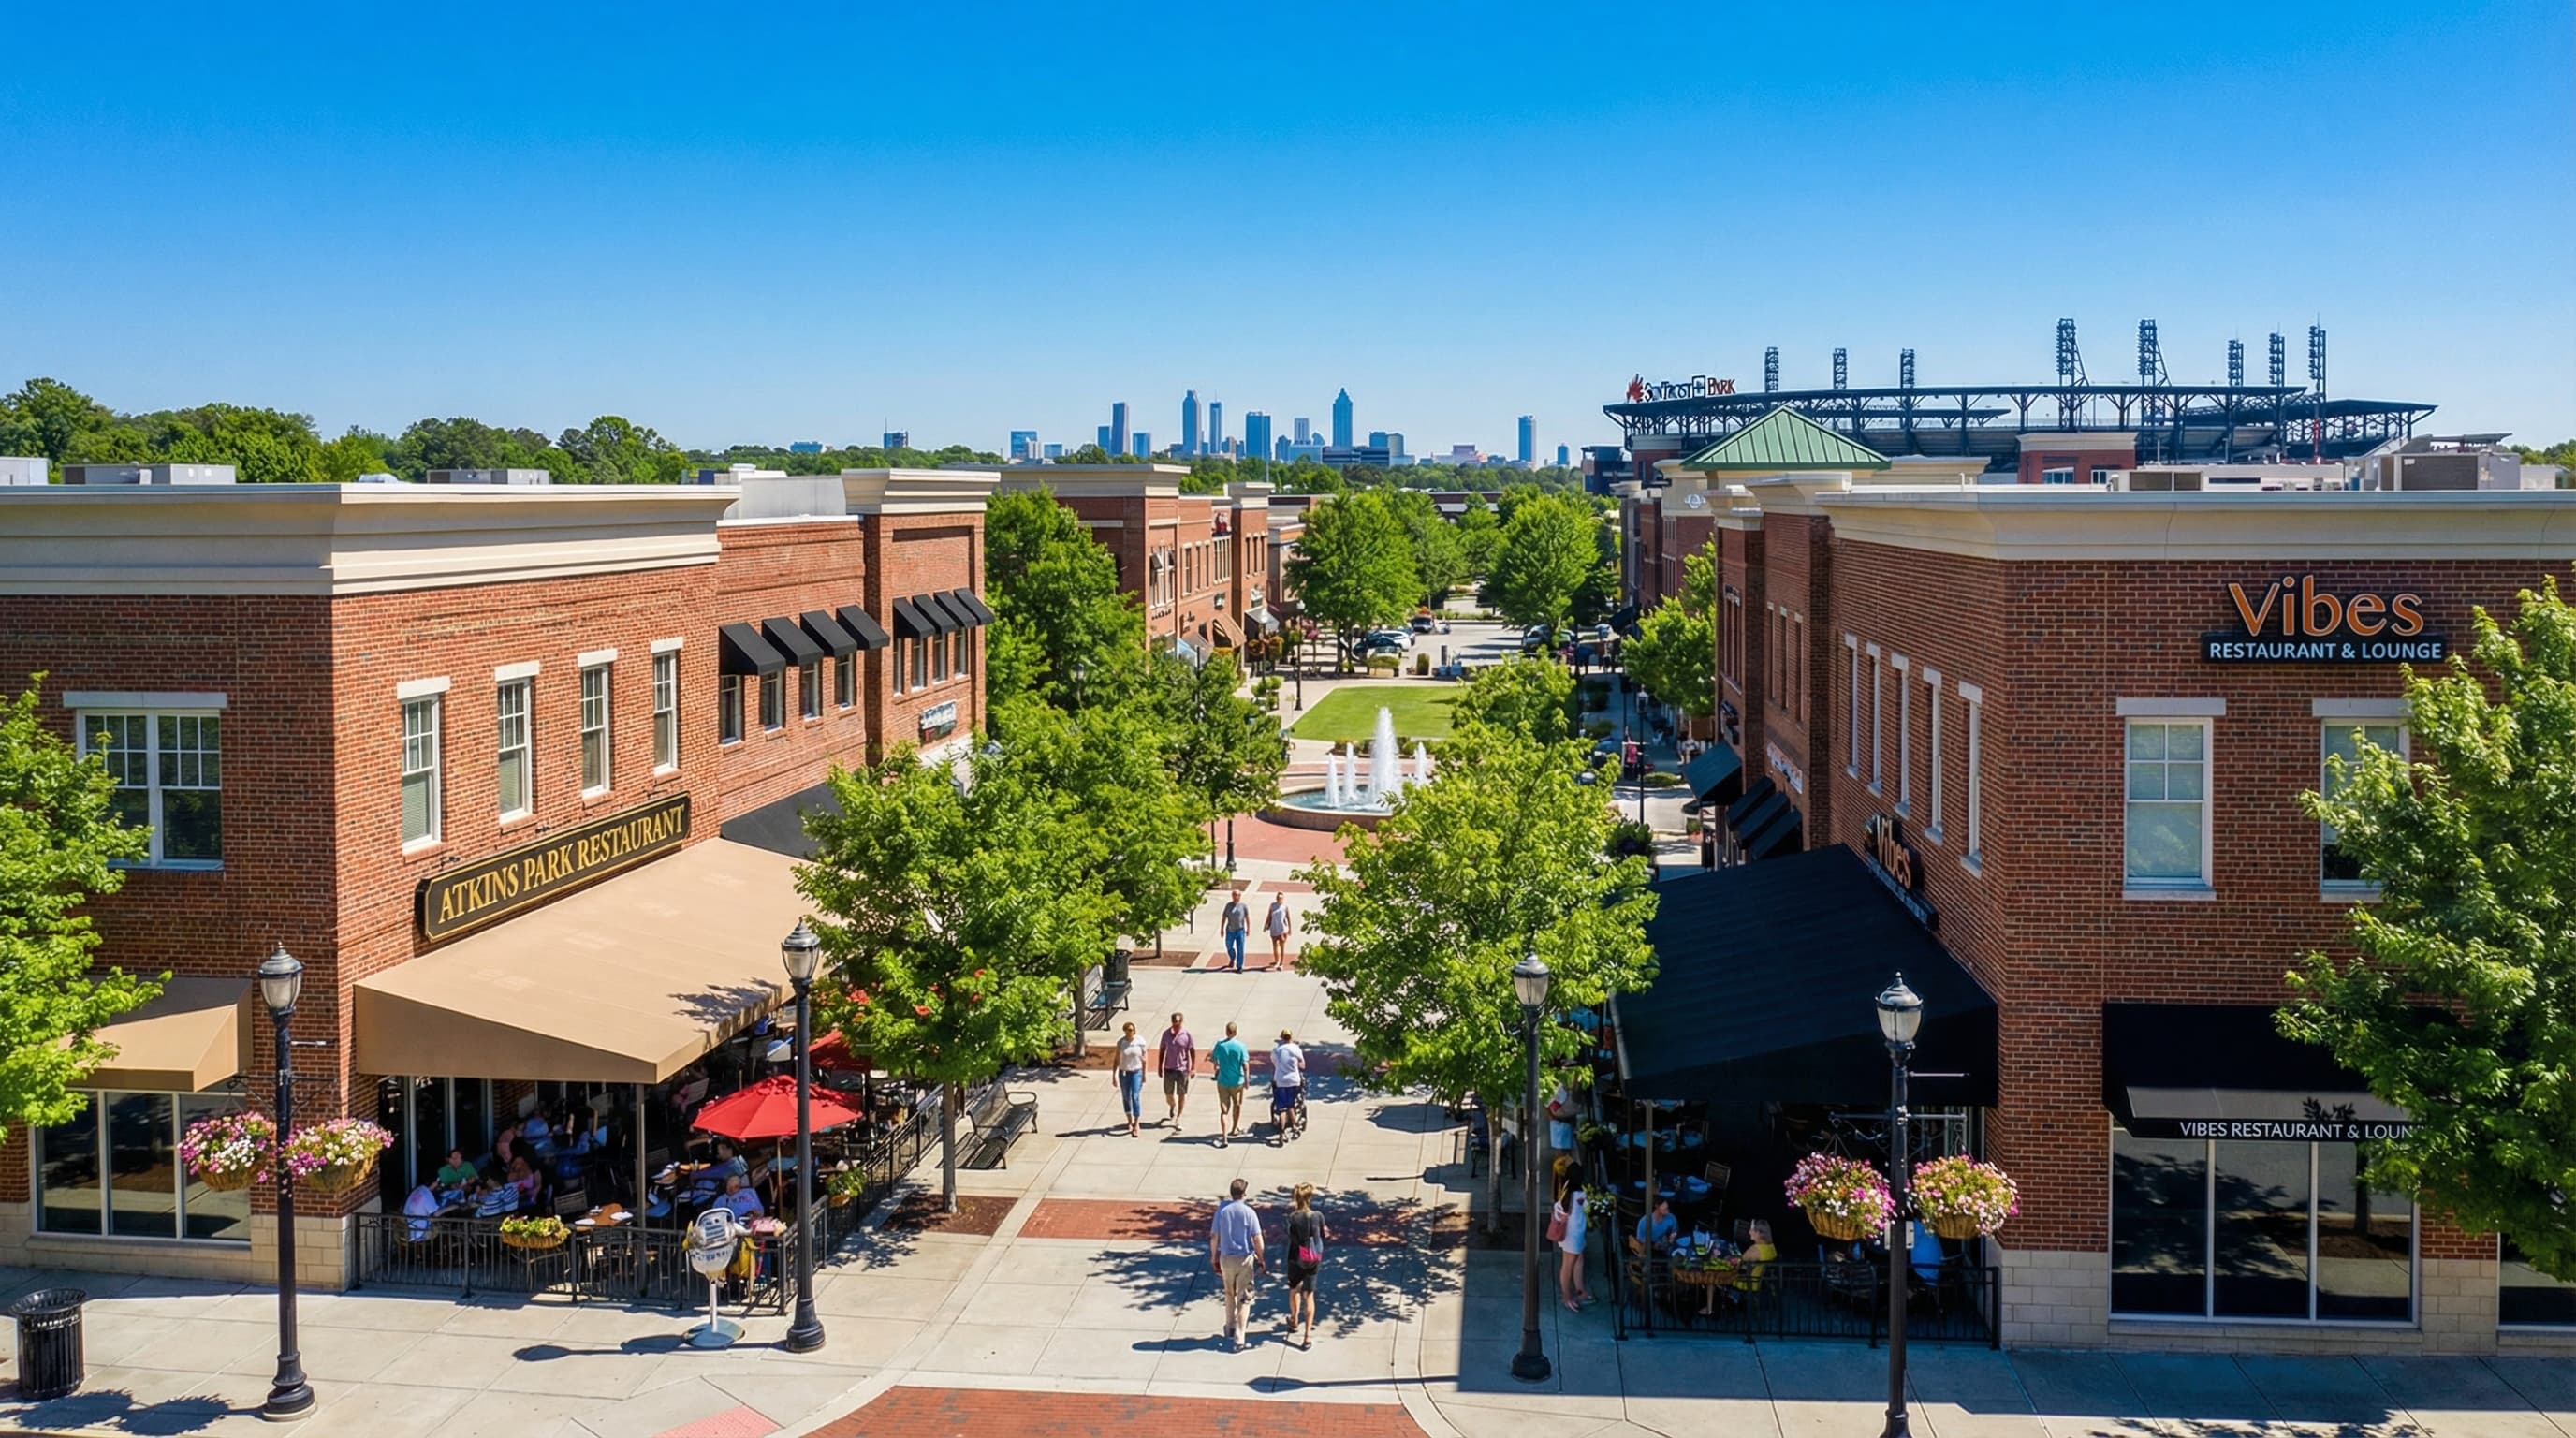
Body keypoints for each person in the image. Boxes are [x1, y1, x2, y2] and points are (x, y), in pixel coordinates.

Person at [1208, 1177, 1266, 1351]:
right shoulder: (1249, 1212)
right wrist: (1261, 1259)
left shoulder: (1222, 1211)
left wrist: (1214, 1257)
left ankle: (1230, 1326)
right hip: (1244, 1259)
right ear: (1244, 1193)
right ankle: (1240, 1336)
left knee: (1229, 1293)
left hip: (1226, 1258)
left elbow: (1214, 1236)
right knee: (1244, 1297)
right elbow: (1257, 1239)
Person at [1284, 1182, 1328, 1348]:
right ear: (1310, 1198)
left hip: (1296, 1258)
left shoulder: (1292, 1218)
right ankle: (1307, 1336)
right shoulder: (1318, 1216)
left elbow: (1290, 1236)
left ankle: (1294, 1319)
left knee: (1294, 1290)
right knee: (1309, 1295)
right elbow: (1325, 1233)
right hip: (1313, 1258)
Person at [1552, 1158, 1592, 1312]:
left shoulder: (1566, 1190)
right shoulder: (1582, 1195)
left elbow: (1558, 1208)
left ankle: (1580, 1291)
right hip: (1575, 1235)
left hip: (1572, 1234)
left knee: (1578, 1260)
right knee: (1568, 1266)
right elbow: (1590, 1209)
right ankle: (1567, 1297)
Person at [1210, 1022, 1251, 1147]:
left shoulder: (1220, 1045)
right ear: (1235, 1032)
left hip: (1223, 1081)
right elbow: (1245, 1065)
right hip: (1237, 1082)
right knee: (1237, 1105)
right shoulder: (1241, 1046)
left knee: (1224, 1111)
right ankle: (1234, 1128)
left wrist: (1216, 1067)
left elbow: (1214, 1059)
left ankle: (1224, 1137)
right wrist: (1247, 1080)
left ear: (1226, 1031)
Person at [1158, 1012, 1196, 1132]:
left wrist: (1193, 1068)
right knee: (1168, 1094)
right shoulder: (1166, 1034)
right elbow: (1162, 1050)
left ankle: (1178, 1117)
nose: (1176, 1025)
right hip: (1169, 1068)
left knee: (1182, 1094)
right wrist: (1160, 1066)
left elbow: (1192, 1051)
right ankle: (1172, 1105)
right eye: (1174, 1023)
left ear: (1181, 1022)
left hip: (1182, 1069)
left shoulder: (1187, 1035)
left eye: (1178, 1023)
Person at [1268, 1029, 1306, 1145]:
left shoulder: (1276, 1050)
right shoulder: (1296, 1049)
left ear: (1281, 1038)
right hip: (1294, 1081)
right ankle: (1295, 1126)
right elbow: (1302, 1065)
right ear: (1291, 1037)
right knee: (1291, 1105)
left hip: (1280, 1081)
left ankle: (1282, 1133)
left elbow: (1275, 1063)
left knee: (1282, 1109)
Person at [1114, 1020, 1148, 1137]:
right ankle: (1129, 1121)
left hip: (1136, 1072)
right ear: (1124, 1031)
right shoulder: (1121, 1043)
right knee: (1126, 1097)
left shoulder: (1140, 1041)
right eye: (1128, 1030)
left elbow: (1145, 1058)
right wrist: (1114, 1075)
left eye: (1132, 1030)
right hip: (1124, 1073)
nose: (1130, 1032)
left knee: (1135, 1096)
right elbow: (1116, 1059)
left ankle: (1137, 1123)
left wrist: (1144, 1074)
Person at [1221, 892, 1251, 973]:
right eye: (1234, 895)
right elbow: (1224, 917)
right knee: (1229, 946)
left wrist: (1248, 928)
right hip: (1230, 930)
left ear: (1240, 896)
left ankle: (1239, 966)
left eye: (1237, 895)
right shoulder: (1228, 906)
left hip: (1240, 930)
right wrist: (1222, 929)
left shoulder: (1243, 906)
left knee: (1240, 949)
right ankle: (1232, 957)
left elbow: (1247, 918)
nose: (1236, 897)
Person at [1265, 894, 1293, 969]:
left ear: (1283, 899)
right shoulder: (1272, 906)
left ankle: (1281, 963)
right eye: (1278, 898)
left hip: (1282, 929)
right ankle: (1276, 961)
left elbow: (1288, 918)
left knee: (1282, 945)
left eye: (1280, 898)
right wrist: (1265, 925)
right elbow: (1269, 916)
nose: (1279, 899)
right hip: (1274, 928)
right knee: (1275, 945)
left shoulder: (1285, 907)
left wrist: (1290, 929)